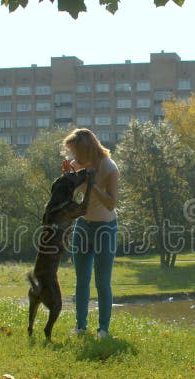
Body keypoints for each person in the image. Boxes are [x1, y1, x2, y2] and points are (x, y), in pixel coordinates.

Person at [61, 128, 119, 339]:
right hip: (83, 226)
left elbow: (111, 204)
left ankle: (103, 329)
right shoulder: (79, 165)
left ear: (87, 149)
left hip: (105, 228)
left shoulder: (109, 167)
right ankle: (80, 326)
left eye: (76, 152)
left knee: (102, 282)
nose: (73, 157)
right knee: (81, 280)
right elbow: (70, 194)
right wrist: (68, 177)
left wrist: (91, 184)